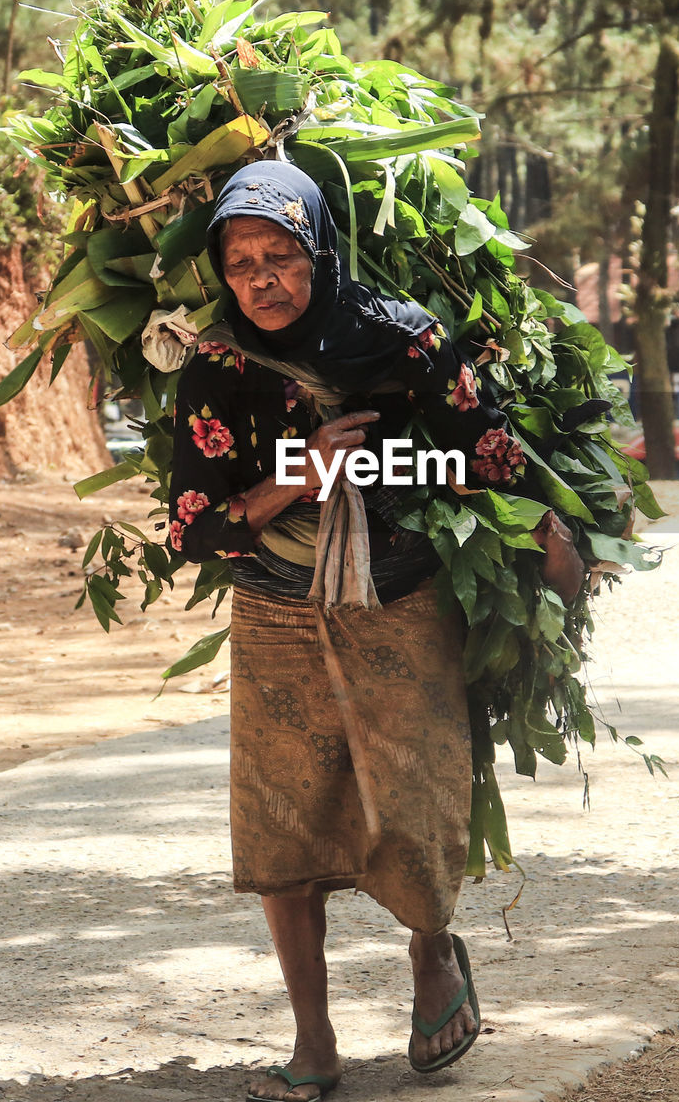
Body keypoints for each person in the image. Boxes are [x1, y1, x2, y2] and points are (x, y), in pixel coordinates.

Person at [169, 160, 583, 1102]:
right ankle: (313, 1037)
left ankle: (434, 956)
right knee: (283, 816)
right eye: (243, 264)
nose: (264, 280)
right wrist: (296, 480)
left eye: (282, 256)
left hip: (400, 594)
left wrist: (554, 538)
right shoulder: (217, 364)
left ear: (319, 249)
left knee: (417, 795)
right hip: (275, 601)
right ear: (222, 271)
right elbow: (194, 525)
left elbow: (486, 454)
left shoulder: (404, 341)